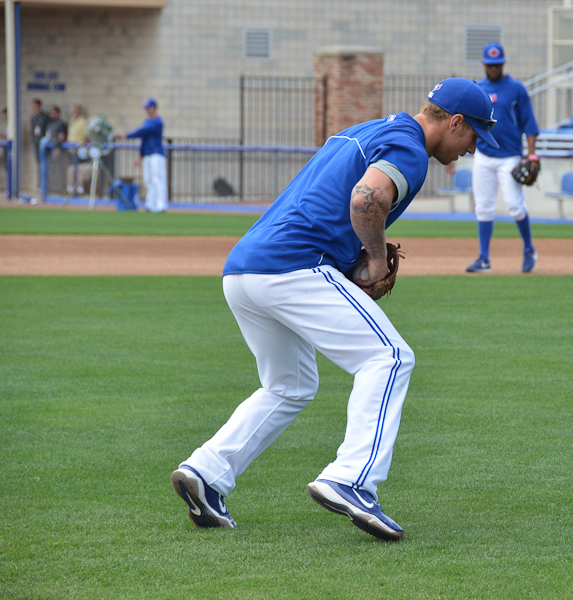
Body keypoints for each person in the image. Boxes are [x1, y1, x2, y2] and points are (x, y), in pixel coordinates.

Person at [169, 77, 498, 542]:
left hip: (244, 270)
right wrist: (376, 256)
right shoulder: (409, 147)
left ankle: (206, 472)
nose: (473, 149)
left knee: (289, 386)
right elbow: (366, 198)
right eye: (474, 136)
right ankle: (352, 479)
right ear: (456, 122)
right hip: (293, 266)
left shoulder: (369, 129)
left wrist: (352, 256)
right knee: (389, 358)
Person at [464, 42, 540, 274]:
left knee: (515, 205)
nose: (494, 68)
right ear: (484, 64)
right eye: (490, 64)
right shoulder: (478, 88)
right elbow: (469, 125)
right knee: (483, 207)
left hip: (510, 156)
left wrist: (531, 154)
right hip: (484, 154)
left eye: (497, 64)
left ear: (503, 63)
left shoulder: (516, 89)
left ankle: (529, 249)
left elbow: (529, 124)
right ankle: (484, 259)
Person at [119, 98, 168, 212]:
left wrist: (126, 135)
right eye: (146, 109)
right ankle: (150, 204)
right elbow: (143, 139)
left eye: (149, 108)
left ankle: (161, 205)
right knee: (148, 180)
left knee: (158, 179)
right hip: (147, 154)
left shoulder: (158, 122)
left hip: (156, 153)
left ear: (154, 108)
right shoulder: (147, 121)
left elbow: (143, 131)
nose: (147, 111)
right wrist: (139, 154)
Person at [66, 104, 90, 195]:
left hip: (79, 150)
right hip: (71, 149)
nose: (75, 112)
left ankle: (80, 188)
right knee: (71, 169)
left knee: (79, 169)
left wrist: (82, 148)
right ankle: (71, 188)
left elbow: (85, 136)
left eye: (77, 110)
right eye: (74, 110)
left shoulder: (82, 121)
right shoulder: (72, 121)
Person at [30, 99, 49, 186]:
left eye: (35, 106)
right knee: (38, 164)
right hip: (36, 143)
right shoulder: (33, 117)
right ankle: (39, 184)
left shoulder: (45, 117)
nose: (34, 107)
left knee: (43, 164)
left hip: (43, 143)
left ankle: (44, 184)